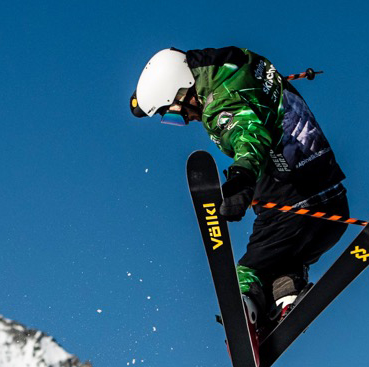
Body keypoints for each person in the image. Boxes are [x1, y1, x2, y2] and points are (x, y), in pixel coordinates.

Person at [130, 47, 350, 323]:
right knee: (280, 264)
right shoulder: (240, 64)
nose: (186, 120)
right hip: (331, 206)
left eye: (175, 114)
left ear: (180, 88)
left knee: (245, 274)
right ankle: (287, 294)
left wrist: (241, 180)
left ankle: (246, 313)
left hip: (292, 205)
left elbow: (248, 136)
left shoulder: (221, 104)